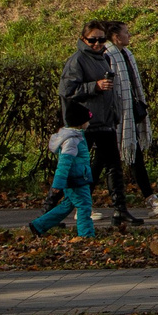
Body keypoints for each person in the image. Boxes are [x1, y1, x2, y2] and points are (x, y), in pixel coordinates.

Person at [57, 20, 136, 229]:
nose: (97, 43)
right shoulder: (77, 60)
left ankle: (120, 210)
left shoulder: (104, 58)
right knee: (73, 168)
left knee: (114, 167)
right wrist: (95, 86)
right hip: (86, 122)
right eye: (93, 40)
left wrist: (114, 113)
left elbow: (111, 91)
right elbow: (66, 90)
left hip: (104, 121)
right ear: (84, 39)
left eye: (101, 39)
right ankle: (50, 211)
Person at [107, 22, 158, 217]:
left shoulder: (126, 55)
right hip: (114, 118)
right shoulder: (108, 55)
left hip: (127, 118)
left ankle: (150, 200)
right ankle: (79, 205)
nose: (130, 35)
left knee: (133, 157)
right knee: (102, 165)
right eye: (126, 33)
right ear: (115, 36)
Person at [28, 97, 97, 237]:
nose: (88, 123)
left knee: (66, 206)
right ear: (79, 123)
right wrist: (58, 183)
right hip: (77, 180)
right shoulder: (72, 141)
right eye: (86, 121)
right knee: (84, 206)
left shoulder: (77, 138)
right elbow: (64, 163)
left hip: (77, 178)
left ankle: (39, 225)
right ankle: (86, 235)